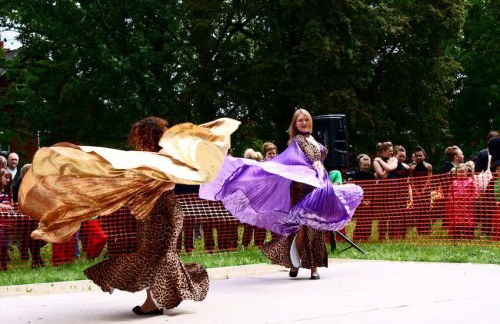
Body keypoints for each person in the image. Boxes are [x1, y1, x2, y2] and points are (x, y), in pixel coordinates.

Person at [18, 116, 239, 315]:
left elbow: (170, 184)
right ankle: (171, 291)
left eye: (140, 137)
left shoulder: (164, 154)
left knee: (157, 255)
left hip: (163, 212)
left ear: (149, 136)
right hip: (150, 213)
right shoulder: (142, 158)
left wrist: (147, 186)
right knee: (156, 255)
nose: (138, 142)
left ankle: (153, 300)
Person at [200, 108, 363, 280]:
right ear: (295, 124)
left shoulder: (314, 139)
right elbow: (305, 158)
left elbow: (319, 158)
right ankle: (298, 264)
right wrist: (314, 163)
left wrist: (319, 168)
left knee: (315, 225)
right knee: (303, 224)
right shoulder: (297, 140)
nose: (304, 123)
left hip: (317, 185)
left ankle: (311, 266)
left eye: (306, 120)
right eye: (300, 120)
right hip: (301, 186)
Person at [13, 164, 46, 268]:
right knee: (31, 238)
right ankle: (36, 260)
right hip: (25, 217)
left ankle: (36, 259)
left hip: (35, 215)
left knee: (36, 238)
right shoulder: (19, 185)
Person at [444, 163, 478, 240]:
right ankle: (457, 233)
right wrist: (452, 200)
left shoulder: (471, 181)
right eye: (459, 172)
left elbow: (475, 192)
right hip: (456, 206)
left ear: (466, 172)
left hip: (468, 206)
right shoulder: (454, 182)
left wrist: (471, 199)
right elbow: (450, 192)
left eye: (462, 172)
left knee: (469, 219)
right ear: (456, 173)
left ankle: (469, 233)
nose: (461, 174)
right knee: (456, 219)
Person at [349, 154, 376, 242]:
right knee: (360, 220)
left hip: (369, 201)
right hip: (359, 200)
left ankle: (366, 238)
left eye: (368, 165)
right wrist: (362, 200)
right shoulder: (356, 175)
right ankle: (356, 237)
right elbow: (355, 188)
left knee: (368, 220)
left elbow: (373, 189)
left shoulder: (372, 176)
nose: (366, 167)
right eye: (364, 165)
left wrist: (370, 200)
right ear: (360, 165)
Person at [409, 146, 433, 235]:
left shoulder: (428, 166)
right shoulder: (412, 168)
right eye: (417, 156)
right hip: (416, 192)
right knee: (418, 211)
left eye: (420, 155)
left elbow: (429, 179)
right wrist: (416, 191)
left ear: (424, 156)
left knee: (426, 210)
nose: (419, 157)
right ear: (414, 157)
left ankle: (427, 229)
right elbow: (411, 180)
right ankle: (419, 229)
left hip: (426, 192)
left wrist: (423, 190)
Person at [0, 169, 13, 270]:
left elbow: (11, 206)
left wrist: (10, 209)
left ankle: (4, 267)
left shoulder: (8, 192)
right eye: (6, 177)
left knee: (4, 247)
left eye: (9, 178)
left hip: (6, 223)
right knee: (2, 245)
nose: (8, 180)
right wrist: (3, 206)